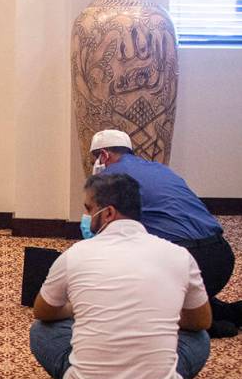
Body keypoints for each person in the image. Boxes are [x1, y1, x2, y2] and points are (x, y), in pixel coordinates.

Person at [30, 173, 211, 379]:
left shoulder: (76, 254)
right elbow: (202, 320)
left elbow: (42, 311)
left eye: (88, 208)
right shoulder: (179, 255)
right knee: (200, 338)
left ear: (108, 213)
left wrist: (80, 309)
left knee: (42, 331)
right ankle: (156, 375)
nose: (85, 217)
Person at [90, 129, 240, 338]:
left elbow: (104, 231)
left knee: (126, 297)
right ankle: (224, 312)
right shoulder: (160, 169)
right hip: (221, 256)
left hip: (183, 262)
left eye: (93, 160)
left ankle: (204, 325)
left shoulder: (109, 178)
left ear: (103, 155)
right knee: (182, 288)